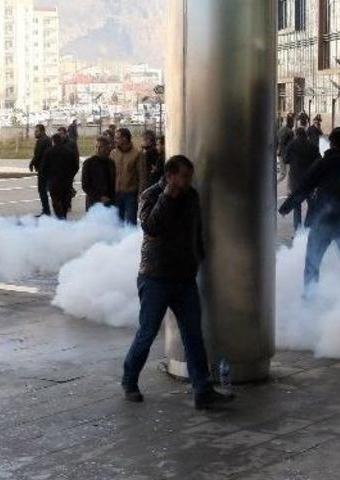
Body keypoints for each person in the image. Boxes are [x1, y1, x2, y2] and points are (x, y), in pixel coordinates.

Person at [122, 155, 235, 410]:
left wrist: (199, 257)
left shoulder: (192, 196)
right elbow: (151, 227)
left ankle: (202, 390)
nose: (187, 182)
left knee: (193, 335)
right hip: (155, 277)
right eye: (183, 177)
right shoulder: (151, 195)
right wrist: (168, 197)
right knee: (148, 332)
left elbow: (196, 231)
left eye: (189, 177)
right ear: (170, 175)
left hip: (184, 278)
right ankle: (129, 380)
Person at [278, 127, 340, 293]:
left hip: (323, 222)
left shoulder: (325, 162)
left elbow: (304, 187)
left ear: (331, 142)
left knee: (312, 263)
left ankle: (310, 298)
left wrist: (285, 208)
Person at [284, 127, 320, 231]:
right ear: (305, 134)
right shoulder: (313, 145)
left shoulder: (292, 144)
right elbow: (319, 160)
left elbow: (286, 160)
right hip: (310, 180)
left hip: (296, 180)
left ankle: (298, 230)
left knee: (297, 206)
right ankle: (308, 226)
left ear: (296, 134)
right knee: (312, 205)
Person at [110, 128, 146, 225]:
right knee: (117, 222)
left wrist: (140, 193)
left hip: (130, 194)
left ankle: (130, 240)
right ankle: (119, 240)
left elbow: (142, 175)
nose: (115, 140)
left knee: (131, 221)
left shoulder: (137, 154)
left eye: (117, 138)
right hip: (116, 193)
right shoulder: (113, 153)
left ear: (125, 139)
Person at [42, 133, 80, 219]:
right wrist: (70, 176)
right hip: (66, 182)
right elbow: (75, 166)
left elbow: (44, 168)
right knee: (64, 202)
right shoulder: (69, 152)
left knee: (55, 201)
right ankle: (63, 217)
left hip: (53, 182)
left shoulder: (48, 152)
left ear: (53, 141)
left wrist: (48, 178)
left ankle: (59, 218)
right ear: (62, 141)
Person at [81, 136, 116, 211]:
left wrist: (111, 197)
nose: (98, 149)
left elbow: (113, 182)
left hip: (109, 201)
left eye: (101, 147)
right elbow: (85, 185)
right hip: (93, 202)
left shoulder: (111, 163)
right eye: (97, 147)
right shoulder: (89, 163)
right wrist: (100, 197)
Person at [29, 124, 53, 216]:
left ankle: (46, 211)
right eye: (35, 131)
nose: (35, 133)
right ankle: (47, 210)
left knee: (42, 190)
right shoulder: (48, 139)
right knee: (46, 190)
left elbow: (38, 155)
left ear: (42, 131)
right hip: (47, 169)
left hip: (43, 170)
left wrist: (31, 163)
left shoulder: (42, 140)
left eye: (37, 131)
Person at [276, 113, 295, 183]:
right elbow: (291, 144)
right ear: (291, 123)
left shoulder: (281, 129)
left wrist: (278, 150)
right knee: (285, 173)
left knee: (284, 173)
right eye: (293, 122)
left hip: (280, 153)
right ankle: (275, 184)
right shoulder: (290, 132)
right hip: (286, 154)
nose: (293, 124)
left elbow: (277, 140)